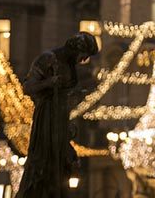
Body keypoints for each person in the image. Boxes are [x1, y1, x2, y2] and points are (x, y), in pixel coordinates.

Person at [17, 32, 99, 197]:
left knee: (64, 161)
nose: (84, 60)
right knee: (44, 160)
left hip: (61, 117)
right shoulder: (48, 59)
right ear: (76, 49)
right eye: (84, 55)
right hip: (47, 116)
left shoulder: (71, 66)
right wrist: (49, 82)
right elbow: (27, 87)